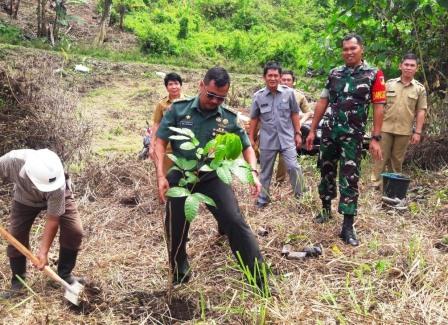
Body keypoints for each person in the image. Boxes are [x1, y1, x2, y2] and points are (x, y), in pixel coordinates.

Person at [154, 67, 265, 288]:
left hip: (213, 176)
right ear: (201, 85)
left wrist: (253, 172)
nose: (215, 101)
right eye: (211, 95)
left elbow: (247, 148)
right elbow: (159, 141)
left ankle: (258, 277)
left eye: (221, 98)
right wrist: (160, 175)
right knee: (176, 227)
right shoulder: (178, 110)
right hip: (182, 173)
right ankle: (180, 271)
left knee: (234, 221)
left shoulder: (229, 118)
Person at [305, 33, 386, 246]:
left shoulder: (374, 74)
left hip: (353, 136)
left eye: (353, 48)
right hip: (330, 132)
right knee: (326, 169)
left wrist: (375, 137)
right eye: (345, 49)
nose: (349, 52)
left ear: (362, 49)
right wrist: (313, 130)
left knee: (350, 177)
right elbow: (323, 101)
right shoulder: (334, 74)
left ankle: (347, 227)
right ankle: (325, 210)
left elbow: (379, 106)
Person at [0, 149, 84, 299]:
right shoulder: (11, 161)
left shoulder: (57, 185)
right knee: (16, 236)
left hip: (59, 197)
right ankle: (18, 283)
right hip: (25, 199)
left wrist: (43, 252)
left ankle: (65, 275)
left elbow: (53, 219)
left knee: (74, 231)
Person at [249, 61, 305, 209]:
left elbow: (294, 114)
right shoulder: (258, 96)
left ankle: (301, 197)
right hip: (267, 140)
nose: (272, 78)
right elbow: (254, 119)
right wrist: (251, 138)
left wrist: (298, 133)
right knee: (265, 172)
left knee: (293, 167)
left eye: (276, 75)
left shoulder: (289, 93)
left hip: (287, 139)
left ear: (280, 77)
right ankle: (263, 199)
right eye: (270, 75)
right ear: (264, 77)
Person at [371, 53, 427, 187]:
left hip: (404, 130)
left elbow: (421, 111)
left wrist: (417, 132)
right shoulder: (389, 84)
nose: (408, 68)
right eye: (406, 65)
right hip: (385, 128)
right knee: (380, 157)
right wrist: (375, 129)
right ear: (400, 66)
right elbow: (379, 107)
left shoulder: (419, 88)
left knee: (397, 160)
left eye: (412, 65)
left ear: (417, 68)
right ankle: (376, 184)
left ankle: (392, 186)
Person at [275, 70, 314, 182]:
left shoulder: (299, 96)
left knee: (284, 157)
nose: (286, 82)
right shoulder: (272, 93)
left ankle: (280, 181)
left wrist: (300, 123)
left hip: (289, 130)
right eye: (284, 80)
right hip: (272, 129)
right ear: (279, 80)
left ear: (293, 82)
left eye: (289, 80)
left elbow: (308, 112)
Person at [149, 72, 185, 174]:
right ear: (166, 87)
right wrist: (152, 146)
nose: (174, 87)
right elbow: (156, 124)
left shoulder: (188, 102)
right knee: (166, 175)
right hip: (167, 146)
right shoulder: (162, 104)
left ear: (180, 85)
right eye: (170, 84)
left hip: (184, 145)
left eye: (176, 83)